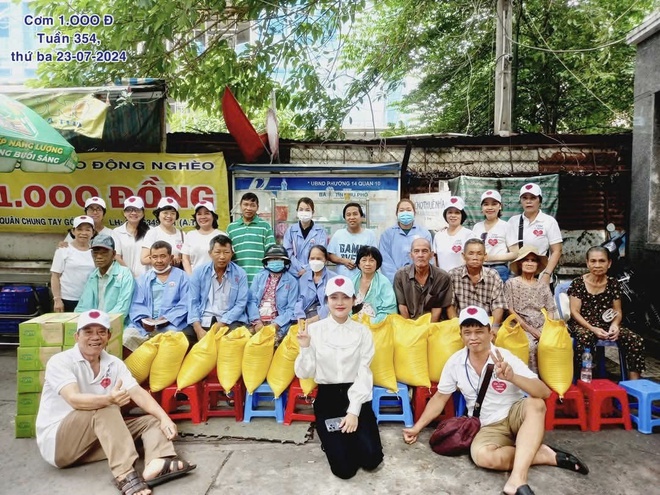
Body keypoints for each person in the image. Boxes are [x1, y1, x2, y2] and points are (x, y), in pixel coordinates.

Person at [402, 306, 589, 495]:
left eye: (479, 331)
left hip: (515, 416)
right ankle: (543, 454)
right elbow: (440, 398)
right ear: (461, 336)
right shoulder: (455, 362)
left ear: (490, 333)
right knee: (483, 457)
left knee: (536, 404)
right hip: (488, 426)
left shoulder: (505, 357)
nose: (473, 337)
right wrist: (417, 428)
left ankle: (517, 479)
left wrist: (513, 377)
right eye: (467, 332)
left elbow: (543, 392)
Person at [36, 309, 196, 495]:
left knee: (152, 420)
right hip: (60, 445)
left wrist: (164, 418)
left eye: (101, 332)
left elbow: (138, 393)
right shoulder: (60, 361)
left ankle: (157, 462)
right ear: (76, 336)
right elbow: (74, 399)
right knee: (105, 407)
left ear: (109, 336)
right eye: (88, 332)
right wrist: (108, 399)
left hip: (94, 444)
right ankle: (125, 474)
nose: (95, 337)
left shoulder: (114, 363)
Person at [295, 276, 383, 479]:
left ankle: (349, 436)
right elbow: (304, 373)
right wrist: (305, 347)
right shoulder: (314, 330)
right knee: (345, 470)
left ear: (353, 300)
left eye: (345, 297)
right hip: (329, 397)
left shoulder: (363, 332)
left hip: (357, 396)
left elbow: (363, 373)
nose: (340, 302)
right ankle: (334, 440)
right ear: (326, 301)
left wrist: (353, 412)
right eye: (334, 297)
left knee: (372, 460)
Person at [567, 246, 645, 379]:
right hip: (583, 325)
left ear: (609, 263)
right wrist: (592, 328)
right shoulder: (578, 283)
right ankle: (585, 381)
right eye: (593, 261)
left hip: (606, 325)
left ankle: (634, 385)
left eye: (602, 261)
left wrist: (615, 325)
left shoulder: (613, 283)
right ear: (587, 263)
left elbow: (617, 310)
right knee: (585, 338)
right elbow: (574, 312)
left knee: (635, 340)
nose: (597, 265)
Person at [124, 241, 191, 351]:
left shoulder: (182, 277)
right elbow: (136, 304)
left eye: (163, 256)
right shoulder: (142, 279)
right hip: (144, 326)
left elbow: (185, 303)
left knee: (172, 341)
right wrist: (144, 319)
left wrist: (167, 319)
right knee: (126, 337)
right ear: (150, 258)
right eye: (155, 257)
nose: (159, 260)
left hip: (172, 324)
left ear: (171, 257)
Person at [504, 246, 557, 374]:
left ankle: (549, 380)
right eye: (526, 260)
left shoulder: (542, 285)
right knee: (531, 346)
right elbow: (510, 310)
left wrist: (547, 329)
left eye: (533, 260)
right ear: (520, 263)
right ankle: (531, 381)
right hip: (519, 325)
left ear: (537, 264)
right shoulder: (511, 283)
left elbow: (550, 309)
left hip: (541, 325)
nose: (529, 263)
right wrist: (530, 329)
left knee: (554, 343)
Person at [188, 234, 250, 340]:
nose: (222, 257)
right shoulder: (199, 272)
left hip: (230, 320)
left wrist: (221, 324)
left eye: (226, 252)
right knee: (184, 338)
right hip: (204, 319)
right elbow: (193, 302)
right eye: (217, 252)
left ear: (232, 254)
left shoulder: (240, 274)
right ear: (210, 253)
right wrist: (198, 329)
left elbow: (241, 303)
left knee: (233, 341)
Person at [506, 183, 562, 285]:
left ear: (539, 201)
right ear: (521, 201)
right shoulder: (513, 221)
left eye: (533, 198)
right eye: (525, 198)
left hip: (541, 276)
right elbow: (512, 251)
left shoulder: (549, 221)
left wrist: (546, 274)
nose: (528, 201)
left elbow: (556, 251)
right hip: (519, 276)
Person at [448, 238, 506, 331]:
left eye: (479, 254)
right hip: (462, 323)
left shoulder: (493, 275)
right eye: (471, 253)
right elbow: (450, 304)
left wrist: (494, 327)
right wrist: (456, 326)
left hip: (487, 323)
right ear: (463, 256)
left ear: (485, 256)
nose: (475, 257)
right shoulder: (453, 275)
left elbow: (498, 305)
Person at [75, 235, 135, 324]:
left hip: (117, 325)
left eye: (104, 253)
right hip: (93, 325)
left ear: (113, 254)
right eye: (95, 252)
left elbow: (122, 308)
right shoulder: (93, 276)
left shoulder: (125, 274)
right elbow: (83, 306)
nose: (98, 256)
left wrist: (102, 323)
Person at [247, 245, 299, 343]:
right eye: (272, 259)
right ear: (267, 262)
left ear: (285, 262)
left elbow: (291, 308)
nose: (275, 261)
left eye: (278, 259)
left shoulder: (292, 281)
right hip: (256, 321)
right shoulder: (259, 277)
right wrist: (256, 321)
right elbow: (251, 301)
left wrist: (276, 324)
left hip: (279, 324)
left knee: (273, 344)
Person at [393, 238, 453, 322]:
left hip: (433, 324)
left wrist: (427, 331)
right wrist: (410, 328)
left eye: (424, 251)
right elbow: (402, 307)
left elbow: (437, 309)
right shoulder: (400, 276)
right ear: (411, 255)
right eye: (416, 251)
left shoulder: (442, 277)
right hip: (409, 324)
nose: (420, 255)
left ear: (431, 255)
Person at [378, 198, 432, 283]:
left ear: (414, 213)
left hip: (419, 281)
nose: (405, 213)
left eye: (408, 210)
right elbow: (385, 261)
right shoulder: (387, 235)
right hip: (395, 282)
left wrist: (421, 278)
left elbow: (429, 258)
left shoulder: (424, 233)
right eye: (402, 210)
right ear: (397, 214)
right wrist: (398, 280)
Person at [226, 192, 276, 285]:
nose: (248, 208)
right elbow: (228, 254)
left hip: (260, 279)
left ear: (257, 207)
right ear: (240, 205)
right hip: (237, 279)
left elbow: (271, 254)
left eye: (252, 205)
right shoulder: (231, 228)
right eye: (245, 204)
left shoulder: (265, 226)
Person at [50, 215, 95, 312]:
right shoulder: (63, 250)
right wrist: (57, 299)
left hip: (90, 300)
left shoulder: (95, 251)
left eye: (87, 230)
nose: (83, 233)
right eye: (79, 229)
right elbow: (55, 276)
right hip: (68, 299)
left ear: (93, 232)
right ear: (73, 231)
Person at [471, 190, 515, 282]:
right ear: (482, 208)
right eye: (486, 204)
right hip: (478, 269)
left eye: (494, 204)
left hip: (499, 270)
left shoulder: (506, 226)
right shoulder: (477, 227)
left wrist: (491, 257)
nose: (490, 207)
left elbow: (515, 253)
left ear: (500, 206)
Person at [328, 202, 378, 278]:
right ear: (344, 218)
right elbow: (330, 255)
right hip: (342, 280)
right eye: (348, 215)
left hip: (364, 279)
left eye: (355, 214)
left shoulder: (370, 234)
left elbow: (375, 257)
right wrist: (343, 261)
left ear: (361, 216)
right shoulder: (338, 234)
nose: (352, 217)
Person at [282, 197, 328, 278]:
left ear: (312, 212)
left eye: (307, 210)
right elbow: (287, 253)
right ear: (297, 211)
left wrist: (307, 269)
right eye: (301, 209)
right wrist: (299, 268)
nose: (304, 212)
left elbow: (321, 253)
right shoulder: (291, 230)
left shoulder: (320, 231)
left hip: (314, 272)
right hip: (294, 272)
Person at [352, 245, 397, 324]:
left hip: (378, 324)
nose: (367, 264)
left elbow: (389, 309)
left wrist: (372, 323)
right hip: (354, 324)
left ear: (377, 263)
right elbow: (346, 305)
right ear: (358, 263)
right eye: (364, 260)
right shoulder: (352, 281)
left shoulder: (384, 282)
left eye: (372, 260)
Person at [181, 200, 226, 275]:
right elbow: (185, 259)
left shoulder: (222, 235)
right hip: (195, 279)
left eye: (207, 213)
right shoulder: (190, 235)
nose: (203, 217)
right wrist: (191, 277)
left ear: (213, 216)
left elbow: (227, 258)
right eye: (199, 214)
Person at [140, 197, 186, 269]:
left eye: (172, 213)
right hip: (157, 276)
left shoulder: (182, 234)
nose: (169, 216)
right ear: (158, 214)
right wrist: (167, 259)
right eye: (165, 213)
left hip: (177, 275)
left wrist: (178, 259)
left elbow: (186, 258)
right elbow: (144, 259)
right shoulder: (152, 233)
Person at [294, 245, 334, 324]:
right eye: (312, 258)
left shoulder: (333, 279)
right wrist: (300, 317)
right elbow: (298, 301)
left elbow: (333, 303)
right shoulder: (303, 278)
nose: (315, 261)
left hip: (326, 318)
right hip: (305, 316)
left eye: (319, 258)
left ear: (325, 260)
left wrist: (316, 319)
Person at [433, 196, 474, 272]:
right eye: (450, 212)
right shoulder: (438, 235)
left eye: (457, 212)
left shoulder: (469, 235)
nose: (453, 215)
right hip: (443, 279)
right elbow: (435, 260)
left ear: (462, 215)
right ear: (445, 215)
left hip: (462, 280)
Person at [114, 196, 151, 278]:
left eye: (137, 210)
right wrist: (129, 274)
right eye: (129, 210)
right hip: (125, 278)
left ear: (143, 212)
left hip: (148, 278)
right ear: (124, 213)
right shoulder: (117, 232)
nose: (133, 213)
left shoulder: (151, 231)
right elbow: (116, 256)